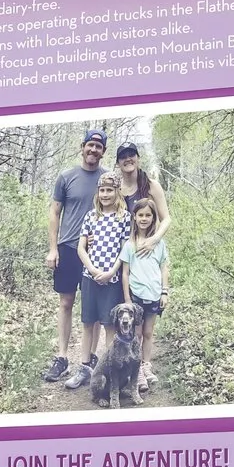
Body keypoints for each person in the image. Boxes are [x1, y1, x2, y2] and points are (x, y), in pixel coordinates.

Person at [43, 127, 109, 386]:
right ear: (82, 147)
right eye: (89, 145)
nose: (93, 150)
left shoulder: (107, 179)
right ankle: (61, 357)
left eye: (99, 146)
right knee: (66, 303)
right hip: (69, 249)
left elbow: (116, 210)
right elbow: (54, 212)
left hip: (98, 253)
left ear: (103, 152)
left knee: (91, 309)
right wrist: (53, 248)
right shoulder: (66, 176)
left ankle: (90, 357)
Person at [75, 172, 135, 352]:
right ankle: (85, 365)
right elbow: (81, 248)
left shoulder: (124, 217)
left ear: (117, 192)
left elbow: (125, 250)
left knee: (109, 324)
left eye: (110, 190)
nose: (105, 194)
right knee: (88, 323)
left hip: (112, 279)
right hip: (89, 277)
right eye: (102, 190)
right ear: (97, 192)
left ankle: (109, 367)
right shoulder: (91, 216)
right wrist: (92, 270)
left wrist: (111, 272)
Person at [125, 193, 169, 395]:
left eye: (148, 215)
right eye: (140, 215)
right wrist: (127, 299)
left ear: (153, 218)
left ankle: (146, 364)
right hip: (136, 296)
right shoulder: (130, 244)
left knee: (149, 333)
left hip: (154, 294)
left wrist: (164, 292)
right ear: (134, 217)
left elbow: (164, 268)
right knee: (137, 333)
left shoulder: (158, 244)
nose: (144, 218)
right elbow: (125, 273)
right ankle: (135, 371)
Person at [114, 141, 169, 233]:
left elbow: (166, 219)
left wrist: (154, 239)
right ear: (118, 163)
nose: (128, 159)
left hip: (146, 244)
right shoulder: (115, 189)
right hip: (119, 244)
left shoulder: (152, 186)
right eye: (123, 157)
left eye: (131, 155)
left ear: (138, 158)